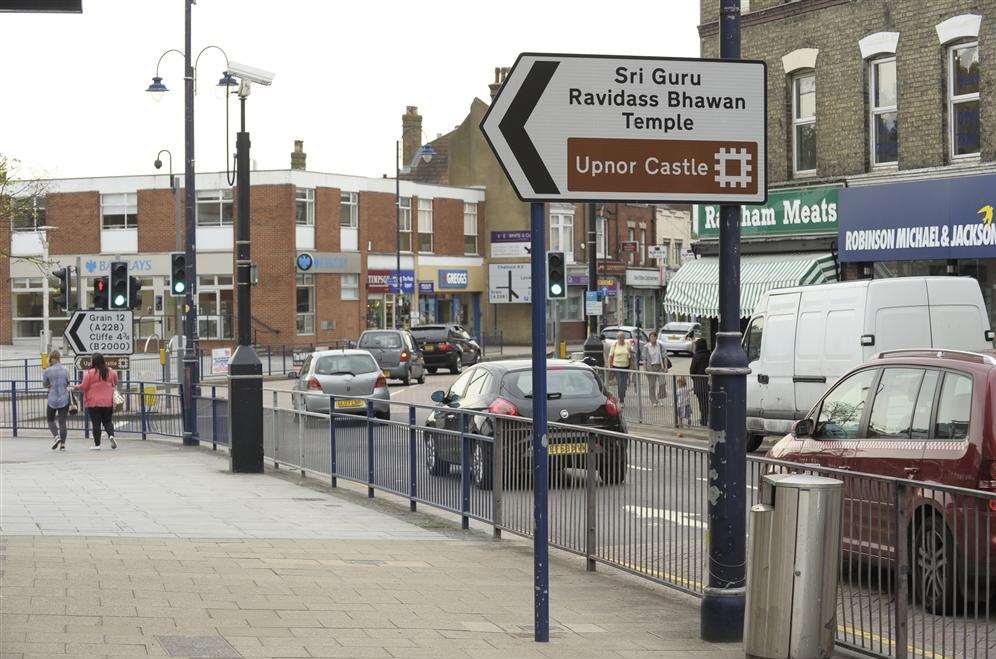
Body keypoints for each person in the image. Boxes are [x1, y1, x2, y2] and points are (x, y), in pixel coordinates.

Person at [75, 353, 118, 450]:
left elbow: (84, 386)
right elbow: (115, 381)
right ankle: (111, 435)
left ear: (93, 362)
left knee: (96, 423)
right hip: (108, 402)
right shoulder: (110, 372)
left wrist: (76, 387)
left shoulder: (89, 373)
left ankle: (97, 445)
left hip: (93, 403)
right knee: (107, 421)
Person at [42, 350, 71, 450]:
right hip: (64, 398)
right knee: (62, 422)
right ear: (59, 358)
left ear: (51, 359)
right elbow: (68, 382)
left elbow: (45, 384)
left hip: (52, 398)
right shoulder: (65, 369)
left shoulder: (47, 370)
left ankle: (56, 437)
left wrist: (50, 385)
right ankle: (63, 445)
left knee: (50, 420)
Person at [608, 331, 634, 405]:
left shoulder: (627, 344)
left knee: (624, 384)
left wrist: (631, 352)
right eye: (619, 337)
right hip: (617, 367)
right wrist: (610, 367)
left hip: (626, 366)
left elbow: (631, 354)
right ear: (617, 338)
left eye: (622, 337)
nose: (621, 339)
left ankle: (622, 395)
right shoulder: (614, 344)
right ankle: (621, 400)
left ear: (624, 338)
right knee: (620, 383)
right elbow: (610, 356)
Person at [689, 338, 711, 426]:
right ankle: (710, 419)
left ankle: (704, 420)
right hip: (709, 383)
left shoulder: (696, 356)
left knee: (702, 403)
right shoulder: (710, 355)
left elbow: (692, 371)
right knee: (709, 403)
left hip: (699, 384)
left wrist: (695, 379)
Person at [642, 332, 664, 406]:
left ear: (656, 338)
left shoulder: (660, 346)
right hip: (650, 367)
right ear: (649, 338)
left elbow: (664, 356)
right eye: (651, 337)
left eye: (654, 337)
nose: (653, 338)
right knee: (652, 385)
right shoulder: (646, 347)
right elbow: (644, 359)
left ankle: (660, 398)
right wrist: (645, 369)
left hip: (659, 366)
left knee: (662, 383)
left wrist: (665, 366)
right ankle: (653, 400)